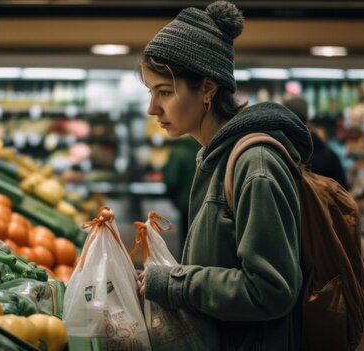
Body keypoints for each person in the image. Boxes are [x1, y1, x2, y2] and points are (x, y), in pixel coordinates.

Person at [136, 1, 313, 350]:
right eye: (151, 93)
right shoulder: (215, 157)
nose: (152, 109)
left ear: (207, 89)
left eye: (165, 92)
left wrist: (174, 283)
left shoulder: (254, 165)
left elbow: (271, 290)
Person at [283, 96, 349, 189]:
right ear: (307, 116)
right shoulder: (329, 156)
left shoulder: (278, 154)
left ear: (282, 116)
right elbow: (342, 193)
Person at [162, 134, 201, 251]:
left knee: (187, 237)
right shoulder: (205, 147)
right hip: (205, 200)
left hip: (185, 203)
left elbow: (171, 179)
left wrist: (174, 199)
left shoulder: (178, 151)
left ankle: (187, 263)